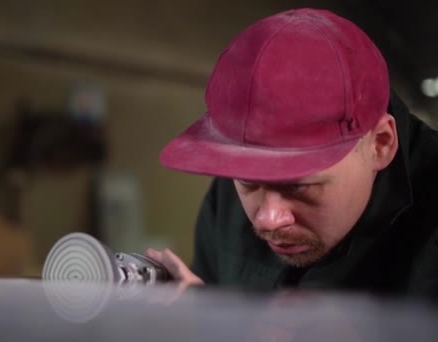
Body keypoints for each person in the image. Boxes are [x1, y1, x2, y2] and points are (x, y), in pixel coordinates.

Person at [145, 8, 438, 296]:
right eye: (248, 181)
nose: (268, 219)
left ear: (380, 144)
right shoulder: (225, 199)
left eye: (298, 184)